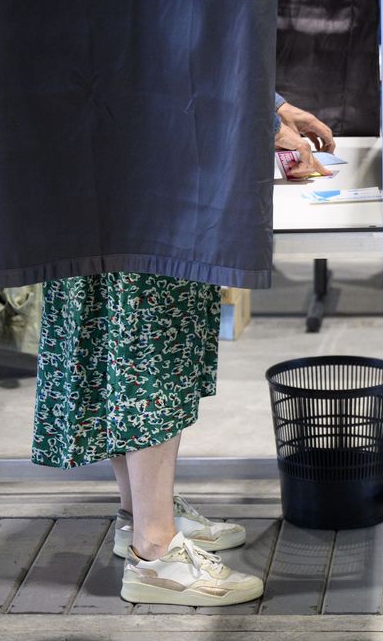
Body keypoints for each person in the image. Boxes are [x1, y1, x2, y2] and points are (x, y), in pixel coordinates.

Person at [32, 93, 336, 607]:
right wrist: (266, 120)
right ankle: (155, 555)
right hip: (139, 180)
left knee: (121, 338)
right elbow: (168, 51)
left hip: (106, 167)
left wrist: (274, 105)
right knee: (146, 349)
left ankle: (141, 519)